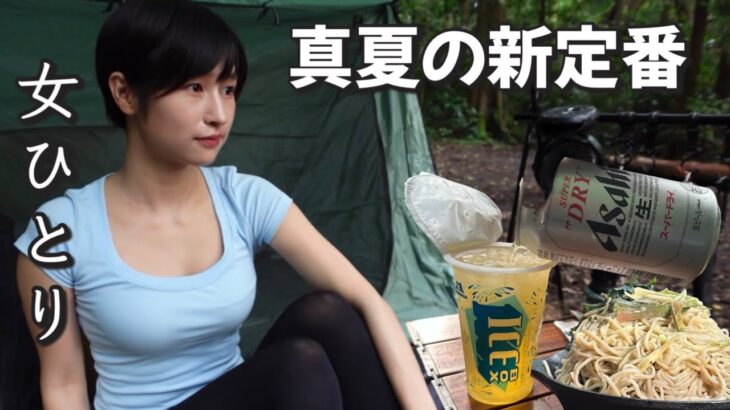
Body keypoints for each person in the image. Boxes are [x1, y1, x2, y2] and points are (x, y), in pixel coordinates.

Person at [14, 1, 436, 409]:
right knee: (296, 367)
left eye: (228, 89)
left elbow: (367, 300)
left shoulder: (243, 197)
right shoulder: (58, 234)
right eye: (194, 87)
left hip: (237, 394)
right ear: (125, 93)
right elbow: (63, 384)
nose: (219, 113)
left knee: (327, 314)